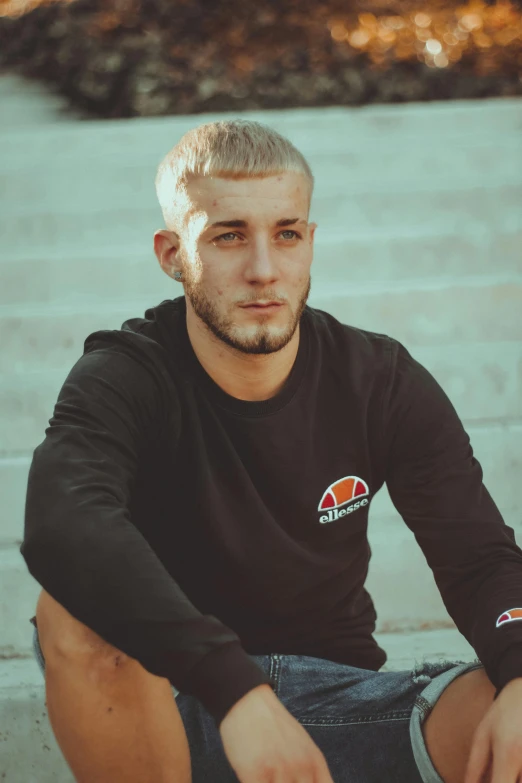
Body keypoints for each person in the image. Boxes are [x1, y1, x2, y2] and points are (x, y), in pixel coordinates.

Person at [22, 119, 522, 783]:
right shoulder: (125, 376)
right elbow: (65, 524)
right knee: (71, 615)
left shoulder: (378, 379)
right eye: (228, 235)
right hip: (172, 709)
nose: (263, 269)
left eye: (286, 233)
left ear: (310, 243)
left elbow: (479, 556)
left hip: (348, 703)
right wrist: (234, 687)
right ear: (172, 253)